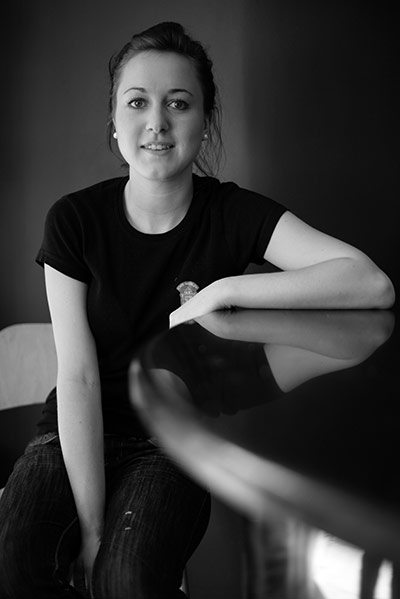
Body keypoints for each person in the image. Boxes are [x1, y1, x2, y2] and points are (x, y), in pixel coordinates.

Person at [0, 20, 395, 599]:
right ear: (114, 122)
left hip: (174, 441)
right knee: (17, 562)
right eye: (137, 103)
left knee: (126, 580)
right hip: (75, 430)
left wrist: (223, 289)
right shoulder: (74, 221)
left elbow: (370, 282)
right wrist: (91, 525)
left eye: (178, 104)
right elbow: (79, 377)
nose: (157, 122)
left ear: (205, 123)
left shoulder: (231, 212)